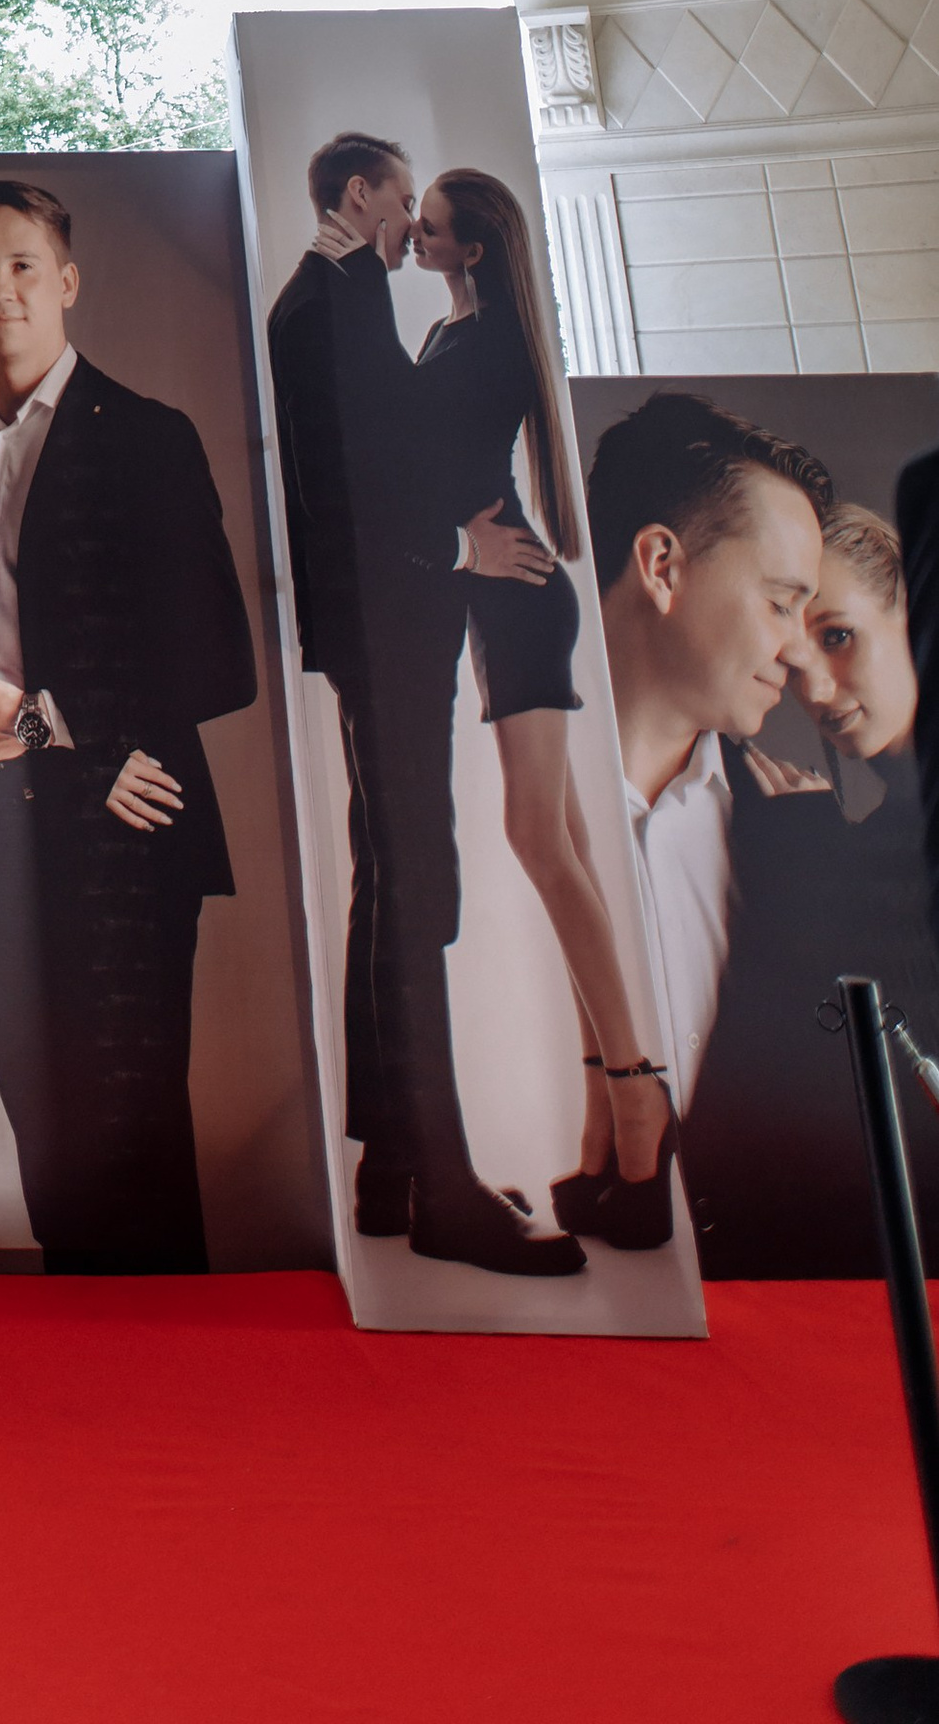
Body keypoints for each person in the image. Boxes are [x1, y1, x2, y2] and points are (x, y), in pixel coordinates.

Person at [0, 179, 256, 1273]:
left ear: (65, 282)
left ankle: (177, 1409)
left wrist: (53, 732)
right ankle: (90, 1415)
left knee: (131, 1156)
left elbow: (217, 660)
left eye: (21, 265)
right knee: (53, 1165)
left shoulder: (146, 437)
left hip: (121, 823)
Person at [267, 131, 582, 1278]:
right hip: (389, 627)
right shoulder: (331, 304)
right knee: (411, 882)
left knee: (398, 880)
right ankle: (437, 1182)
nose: (410, 226)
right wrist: (458, 543)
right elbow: (356, 488)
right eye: (403, 204)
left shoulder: (341, 295)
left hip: (389, 629)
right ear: (362, 194)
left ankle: (396, 1169)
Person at [408, 170, 669, 1237]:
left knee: (541, 840)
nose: (415, 238)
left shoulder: (484, 346)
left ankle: (637, 1092)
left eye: (430, 228)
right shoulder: (452, 337)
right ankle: (609, 1125)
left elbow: (435, 473)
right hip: (499, 598)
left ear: (470, 248)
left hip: (515, 600)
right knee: (558, 844)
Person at [587, 392, 837, 1262]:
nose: (800, 653)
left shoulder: (800, 837)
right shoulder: (464, 806)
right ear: (661, 565)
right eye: (780, 602)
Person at [677, 493, 939, 1271]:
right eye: (795, 663)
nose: (818, 692)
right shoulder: (882, 818)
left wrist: (809, 855)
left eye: (839, 638)